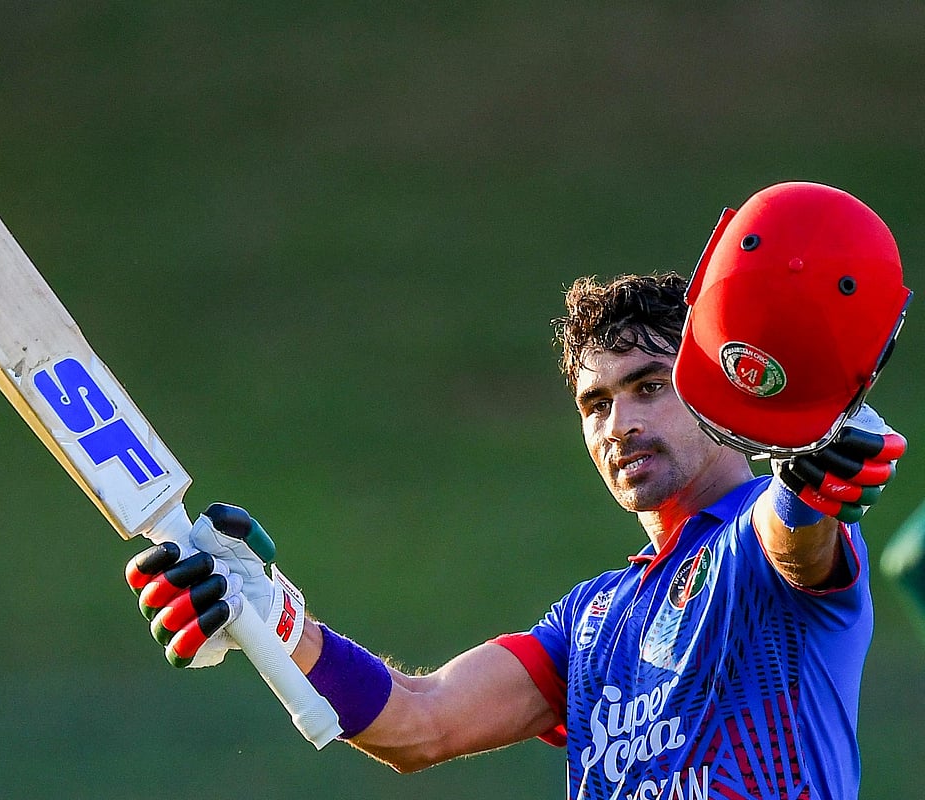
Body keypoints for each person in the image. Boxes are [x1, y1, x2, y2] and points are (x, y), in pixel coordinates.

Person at [125, 183, 909, 799]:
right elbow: (419, 722)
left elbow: (796, 544)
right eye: (594, 404)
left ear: (707, 383)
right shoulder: (592, 620)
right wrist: (270, 617)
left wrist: (811, 479)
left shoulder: (760, 544)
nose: (618, 425)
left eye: (647, 387)